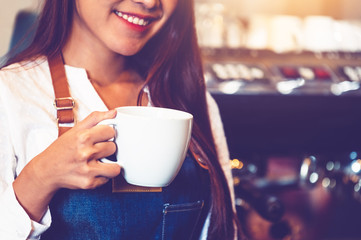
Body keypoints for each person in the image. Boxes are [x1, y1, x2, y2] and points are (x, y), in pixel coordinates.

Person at [0, 0, 241, 239]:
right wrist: (40, 177)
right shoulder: (10, 93)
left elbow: (223, 230)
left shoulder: (191, 98)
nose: (148, 2)